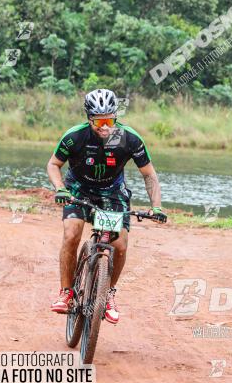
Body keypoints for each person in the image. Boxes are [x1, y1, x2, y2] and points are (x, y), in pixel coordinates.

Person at [46, 89, 164, 323]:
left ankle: (107, 293)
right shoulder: (75, 136)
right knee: (72, 233)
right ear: (89, 118)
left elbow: (149, 175)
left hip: (112, 192)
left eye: (109, 120)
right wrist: (60, 188)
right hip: (78, 188)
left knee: (119, 244)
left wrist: (156, 207)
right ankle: (66, 293)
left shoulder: (129, 138)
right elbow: (53, 164)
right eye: (99, 121)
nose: (105, 127)